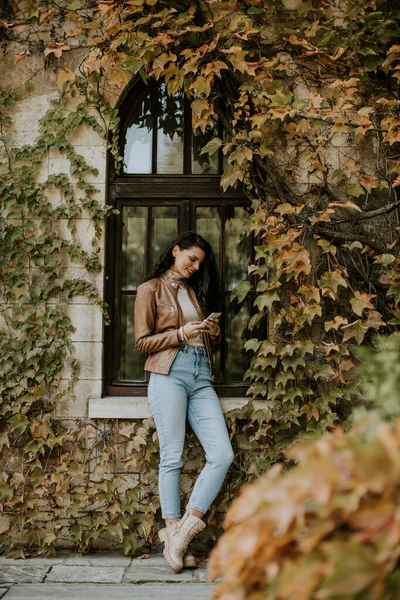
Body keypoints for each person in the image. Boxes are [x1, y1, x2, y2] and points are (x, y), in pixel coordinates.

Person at [134, 231, 234, 573]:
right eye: (190, 258)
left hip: (201, 375)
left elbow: (205, 340)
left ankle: (180, 536)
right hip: (169, 375)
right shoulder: (150, 289)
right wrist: (180, 334)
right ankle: (173, 530)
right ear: (175, 250)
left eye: (199, 263)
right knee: (172, 457)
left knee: (222, 454)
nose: (194, 266)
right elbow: (142, 342)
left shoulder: (194, 291)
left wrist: (210, 332)